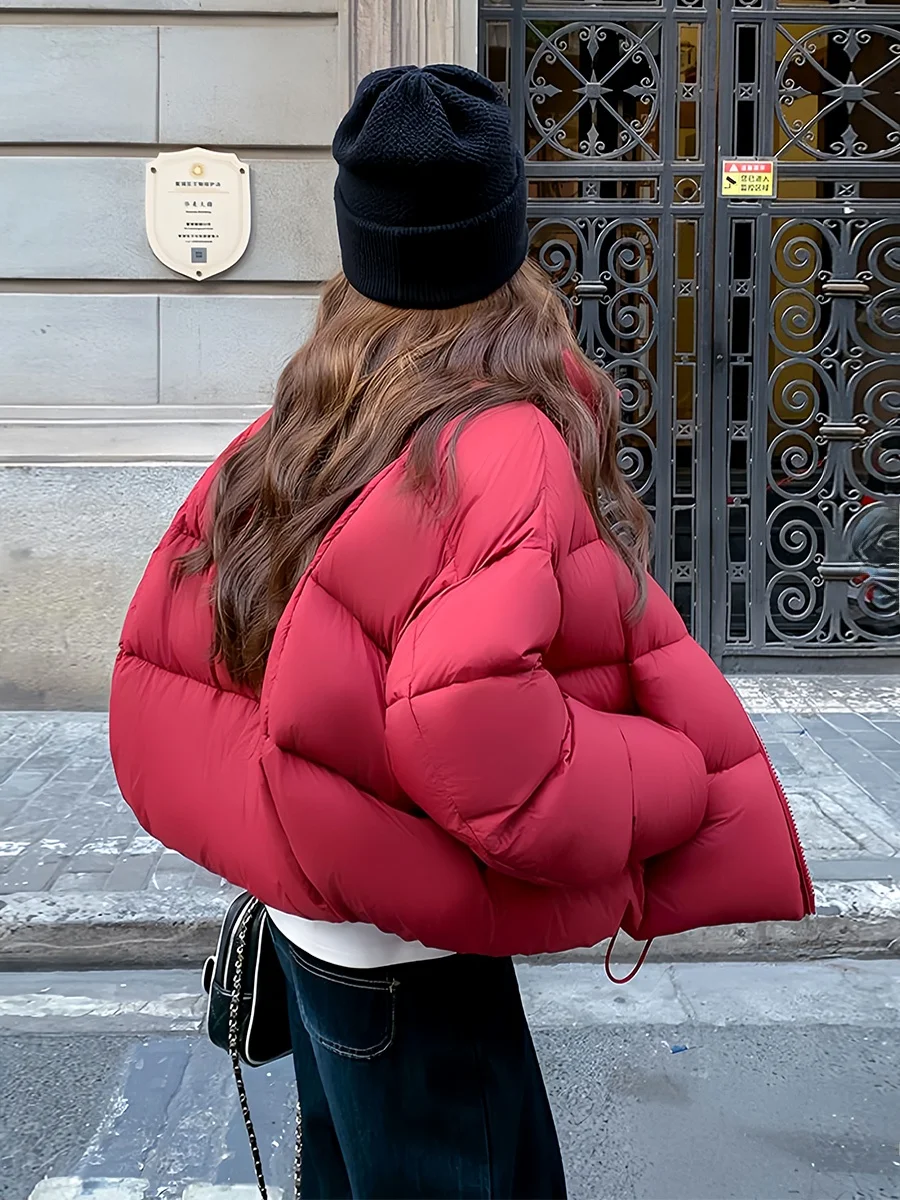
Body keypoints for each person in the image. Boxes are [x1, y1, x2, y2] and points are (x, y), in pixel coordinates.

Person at [110, 64, 814, 1200]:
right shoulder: (501, 444)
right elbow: (471, 721)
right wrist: (670, 776)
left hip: (318, 920)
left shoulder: (301, 421)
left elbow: (199, 657)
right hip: (411, 952)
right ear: (504, 243)